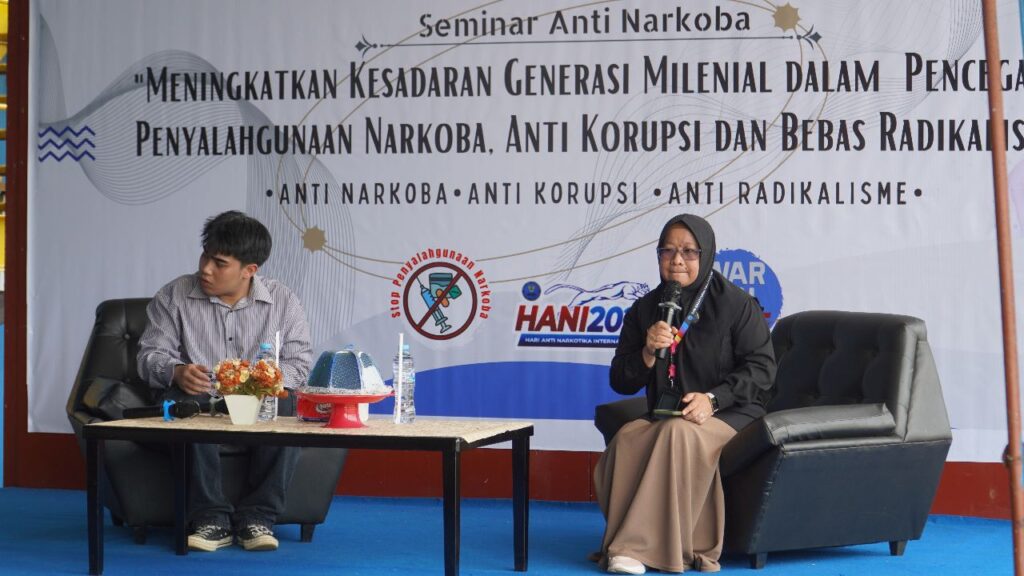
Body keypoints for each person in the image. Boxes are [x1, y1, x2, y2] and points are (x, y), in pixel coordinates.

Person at [594, 214, 777, 574]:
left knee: (677, 433)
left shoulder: (736, 305)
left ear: (706, 255)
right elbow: (621, 380)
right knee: (628, 438)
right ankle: (631, 541)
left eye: (689, 252)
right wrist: (647, 353)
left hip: (732, 413)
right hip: (669, 412)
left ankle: (634, 549)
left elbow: (762, 369)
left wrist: (714, 399)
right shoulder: (646, 309)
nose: (677, 260)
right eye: (668, 251)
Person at [137, 210, 313, 552]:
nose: (205, 269)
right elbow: (149, 355)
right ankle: (209, 519)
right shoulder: (174, 295)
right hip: (200, 395)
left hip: (258, 398)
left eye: (219, 263)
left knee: (288, 404)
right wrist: (176, 370)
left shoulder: (283, 301)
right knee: (180, 403)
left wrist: (264, 382)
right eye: (205, 256)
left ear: (250, 270)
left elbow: (299, 363)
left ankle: (258, 518)